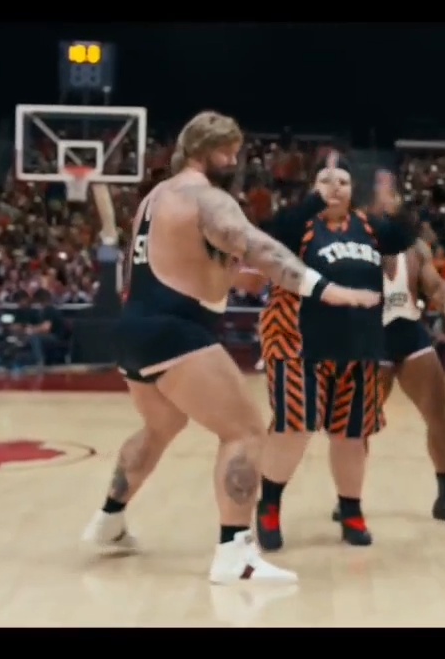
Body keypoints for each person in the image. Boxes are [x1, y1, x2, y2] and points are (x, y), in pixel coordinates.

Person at [81, 112, 382, 583]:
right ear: (205, 150)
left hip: (135, 328)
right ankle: (234, 553)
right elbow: (261, 248)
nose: (235, 161)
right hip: (176, 331)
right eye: (229, 152)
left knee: (160, 426)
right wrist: (327, 289)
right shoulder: (207, 197)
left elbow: (179, 261)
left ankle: (109, 519)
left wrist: (233, 278)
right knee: (245, 432)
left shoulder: (155, 198)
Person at [253, 159, 418, 552]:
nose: (335, 187)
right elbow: (279, 233)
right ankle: (269, 505)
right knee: (295, 428)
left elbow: (403, 237)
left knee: (351, 436)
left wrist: (393, 204)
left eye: (343, 181)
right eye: (326, 180)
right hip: (298, 344)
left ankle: (351, 510)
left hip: (358, 346)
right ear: (313, 187)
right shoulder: (300, 224)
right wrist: (315, 199)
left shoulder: (368, 226)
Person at [324, 238, 445, 525]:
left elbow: (435, 286)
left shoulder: (415, 246)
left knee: (437, 416)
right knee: (358, 424)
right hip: (370, 339)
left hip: (409, 335)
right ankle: (348, 497)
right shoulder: (355, 242)